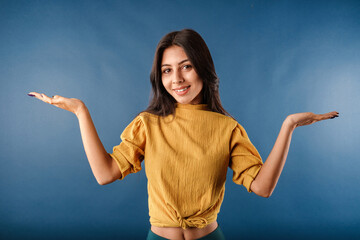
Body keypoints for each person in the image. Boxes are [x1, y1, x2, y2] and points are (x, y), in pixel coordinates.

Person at [27, 29, 339, 240]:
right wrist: (81, 111)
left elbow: (262, 187)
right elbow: (104, 173)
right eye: (166, 70)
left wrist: (288, 126)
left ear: (203, 68)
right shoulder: (148, 124)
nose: (176, 78)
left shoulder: (227, 128)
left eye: (186, 66)